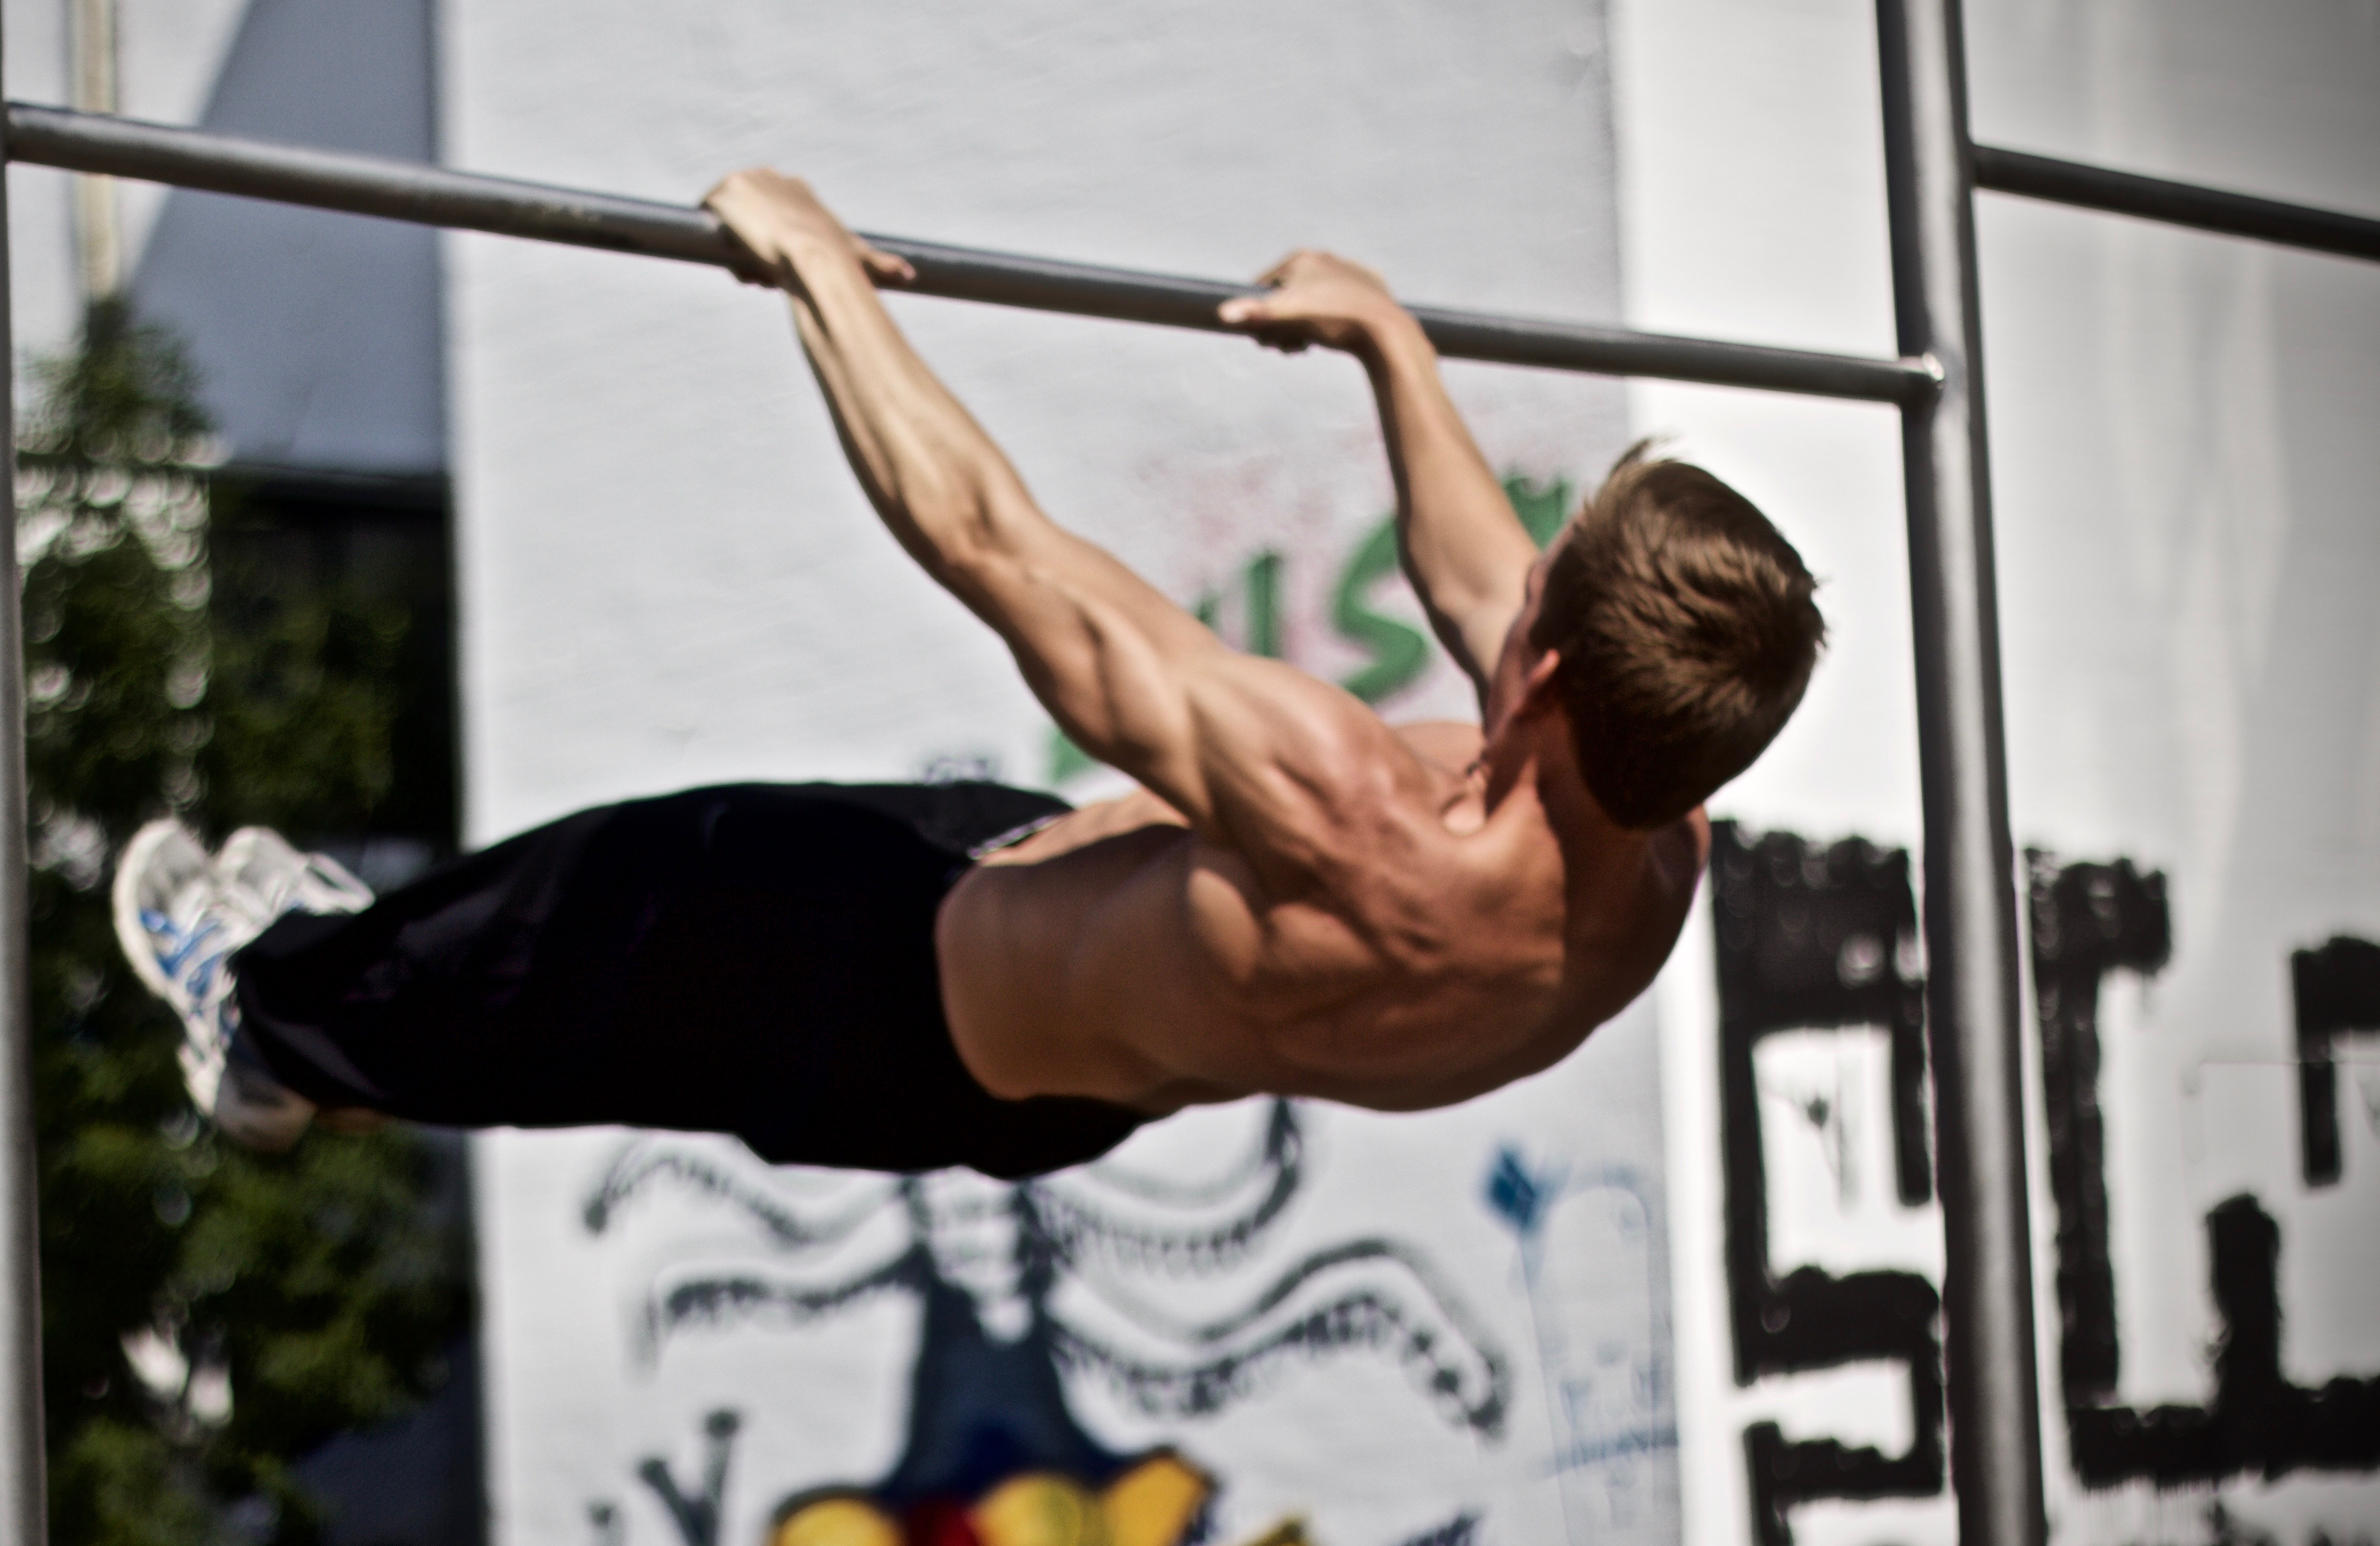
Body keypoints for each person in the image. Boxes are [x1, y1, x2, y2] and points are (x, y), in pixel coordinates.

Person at [115, 170, 1826, 1175]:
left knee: (597, 911)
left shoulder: (1351, 807)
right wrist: (1388, 340)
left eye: (1540, 598)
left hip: (878, 985)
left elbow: (996, 549)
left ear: (1538, 673)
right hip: (1055, 1052)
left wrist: (819, 277)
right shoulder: (1643, 863)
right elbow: (1484, 582)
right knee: (580, 1002)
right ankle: (328, 1032)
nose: (1509, 589)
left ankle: (265, 1013)